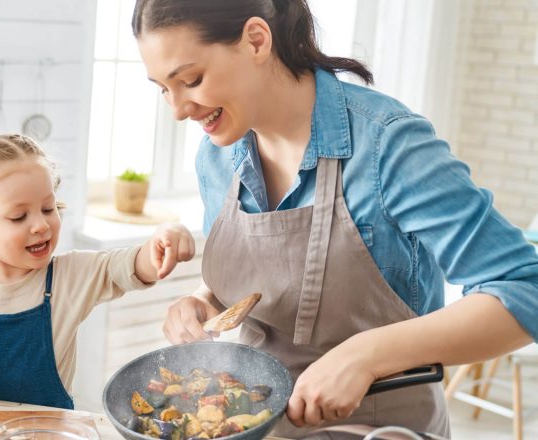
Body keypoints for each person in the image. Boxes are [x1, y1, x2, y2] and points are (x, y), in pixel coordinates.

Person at [132, 0, 538, 437]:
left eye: (190, 80)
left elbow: (523, 287)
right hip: (257, 422)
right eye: (162, 88)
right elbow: (269, 274)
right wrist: (206, 301)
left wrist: (366, 354)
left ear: (256, 40)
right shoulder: (216, 156)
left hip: (378, 428)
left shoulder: (388, 144)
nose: (177, 109)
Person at [0, 134, 195, 409]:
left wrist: (163, 237)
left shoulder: (72, 275)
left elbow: (129, 265)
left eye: (48, 208)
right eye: (19, 216)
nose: (41, 225)